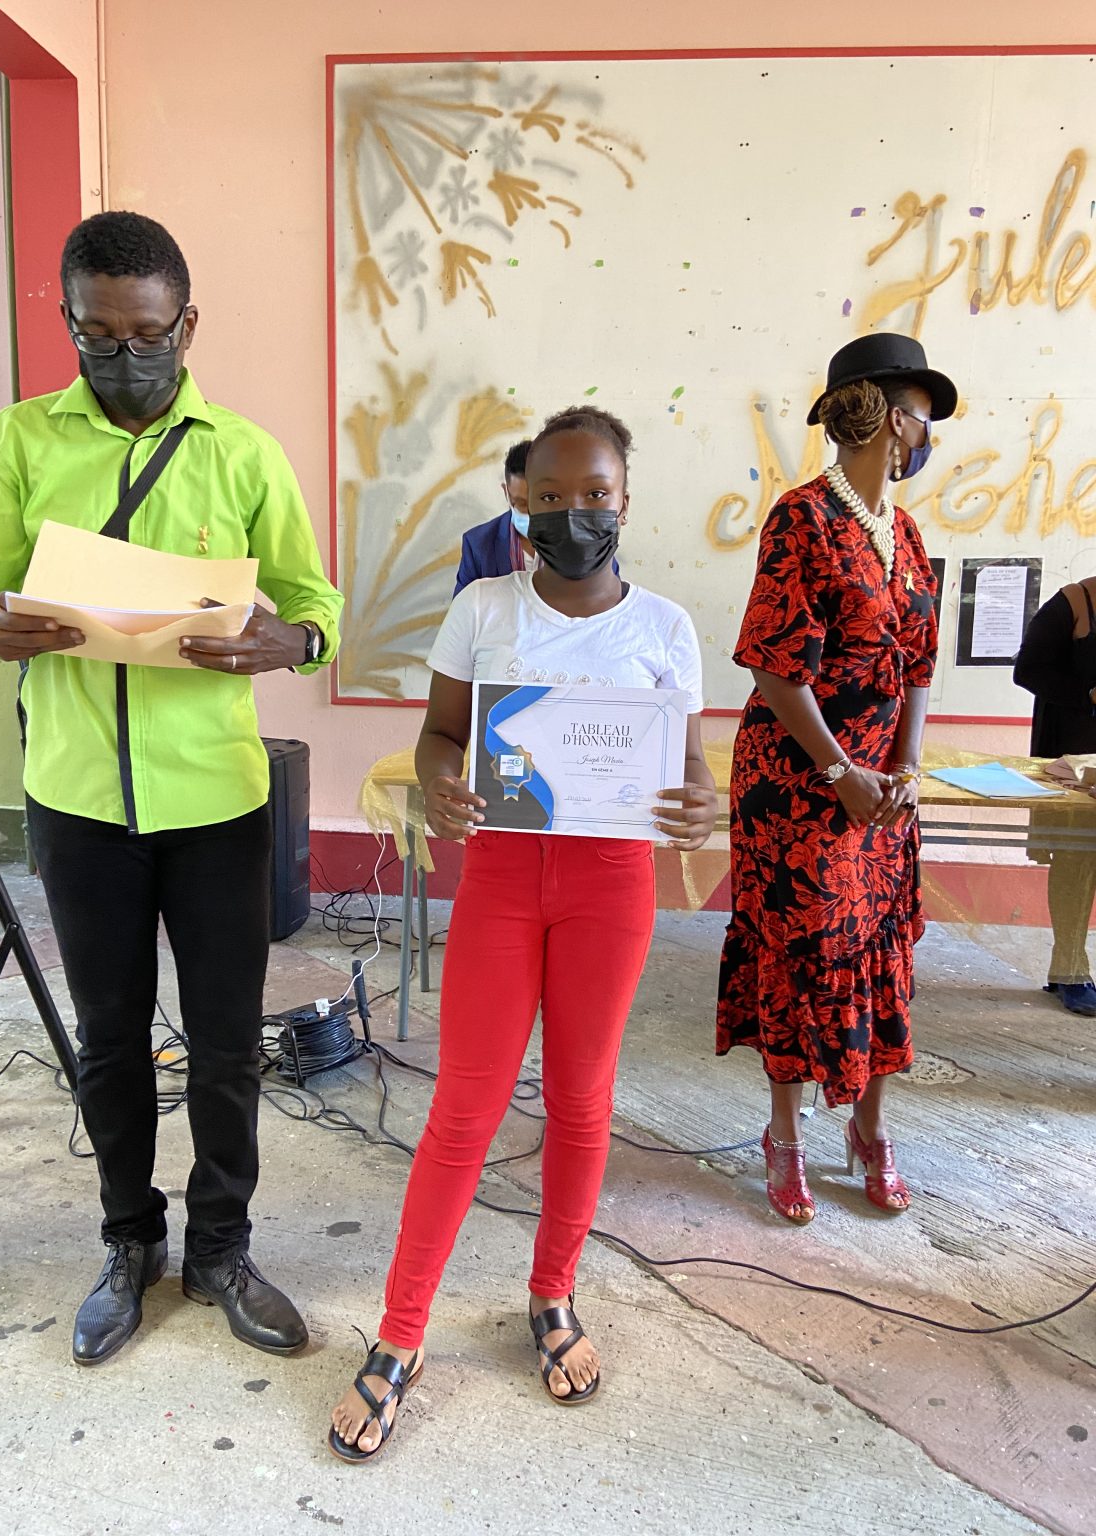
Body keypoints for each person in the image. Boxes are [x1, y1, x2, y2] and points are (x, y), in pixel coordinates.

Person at [0, 212, 344, 1364]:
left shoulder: (243, 453)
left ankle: (222, 1247)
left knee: (225, 1042)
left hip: (215, 801)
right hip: (76, 800)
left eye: (148, 334)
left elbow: (314, 605)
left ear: (188, 325)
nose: (125, 355)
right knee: (109, 1039)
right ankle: (130, 1243)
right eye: (98, 334)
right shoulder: (21, 442)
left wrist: (289, 645)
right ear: (68, 321)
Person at [329, 405, 717, 1461]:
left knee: (583, 1101)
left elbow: (689, 772)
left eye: (594, 494)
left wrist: (698, 805)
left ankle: (552, 1293)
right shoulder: (483, 607)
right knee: (465, 1106)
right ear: (521, 503)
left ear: (625, 501)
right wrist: (442, 786)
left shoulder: (665, 629)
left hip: (610, 884)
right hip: (502, 879)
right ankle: (402, 1333)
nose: (573, 512)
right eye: (551, 496)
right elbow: (439, 737)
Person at [716, 332, 953, 1224]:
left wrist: (905, 767)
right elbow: (772, 664)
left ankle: (869, 1128)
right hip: (797, 781)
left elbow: (920, 666)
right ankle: (784, 1134)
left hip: (880, 788)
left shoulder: (908, 533)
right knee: (801, 952)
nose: (927, 435)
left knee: (881, 948)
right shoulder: (803, 517)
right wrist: (839, 769)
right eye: (922, 416)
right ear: (890, 418)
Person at [1014, 581, 1096, 1016]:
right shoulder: (1074, 602)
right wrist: (1088, 694)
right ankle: (1070, 970)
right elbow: (1027, 671)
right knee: (1076, 864)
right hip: (1076, 764)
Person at [453, 439, 535, 594]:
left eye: (541, 501)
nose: (532, 512)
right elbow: (462, 607)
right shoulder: (477, 545)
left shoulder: (575, 539)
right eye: (522, 503)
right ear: (506, 492)